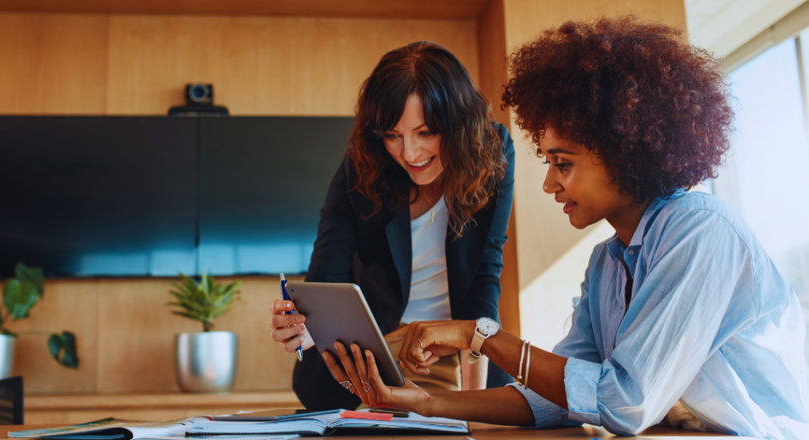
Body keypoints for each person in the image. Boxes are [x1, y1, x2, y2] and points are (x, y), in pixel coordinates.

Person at [323, 16, 809, 440]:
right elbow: (553, 399)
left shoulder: (700, 232)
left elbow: (624, 402)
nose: (549, 183)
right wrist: (422, 403)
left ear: (624, 152)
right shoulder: (607, 263)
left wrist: (480, 334)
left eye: (563, 163)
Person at [268, 41, 516, 410]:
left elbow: (484, 276)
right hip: (370, 361)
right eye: (393, 135)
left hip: (460, 356)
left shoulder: (492, 152)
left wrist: (474, 405)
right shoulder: (362, 164)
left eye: (426, 132)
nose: (410, 154)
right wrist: (304, 327)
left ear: (459, 124)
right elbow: (327, 280)